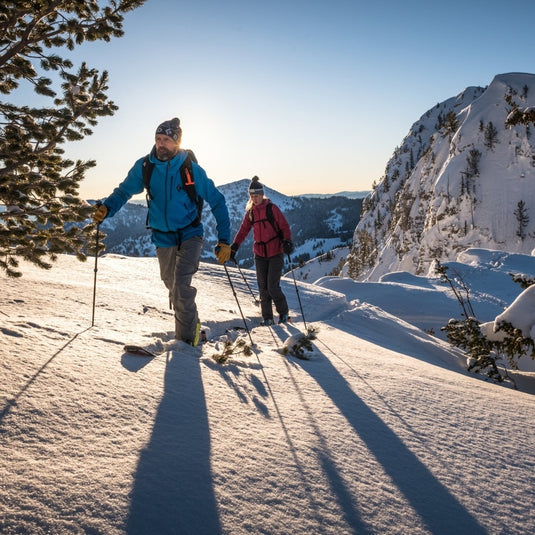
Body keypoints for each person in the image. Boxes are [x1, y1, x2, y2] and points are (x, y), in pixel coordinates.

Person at [92, 117, 231, 345]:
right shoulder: (145, 166)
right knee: (171, 284)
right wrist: (107, 208)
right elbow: (124, 191)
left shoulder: (190, 169)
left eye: (166, 139)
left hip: (190, 234)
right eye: (158, 139)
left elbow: (218, 201)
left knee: (180, 287)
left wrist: (224, 240)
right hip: (162, 237)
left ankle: (187, 345)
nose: (161, 144)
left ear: (176, 142)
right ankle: (194, 327)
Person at [230, 176, 294, 326]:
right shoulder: (251, 212)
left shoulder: (272, 209)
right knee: (263, 288)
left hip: (275, 252)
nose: (255, 198)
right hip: (259, 254)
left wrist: (287, 241)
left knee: (272, 286)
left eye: (257, 196)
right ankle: (268, 318)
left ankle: (284, 314)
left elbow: (284, 226)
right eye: (252, 196)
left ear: (262, 194)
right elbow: (243, 230)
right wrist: (235, 246)